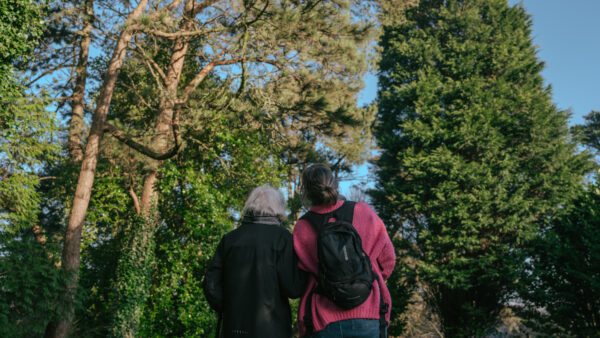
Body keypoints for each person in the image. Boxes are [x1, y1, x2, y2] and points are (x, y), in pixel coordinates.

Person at [293, 164, 396, 338]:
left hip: (324, 320)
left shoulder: (302, 227)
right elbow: (388, 260)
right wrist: (363, 280)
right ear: (334, 183)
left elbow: (300, 280)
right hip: (369, 315)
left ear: (306, 192)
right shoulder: (363, 212)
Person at [203, 184, 307, 338]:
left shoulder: (230, 239)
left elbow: (211, 284)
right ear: (277, 208)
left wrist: (228, 306)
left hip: (234, 328)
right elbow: (293, 288)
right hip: (273, 329)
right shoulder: (283, 239)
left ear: (250, 206)